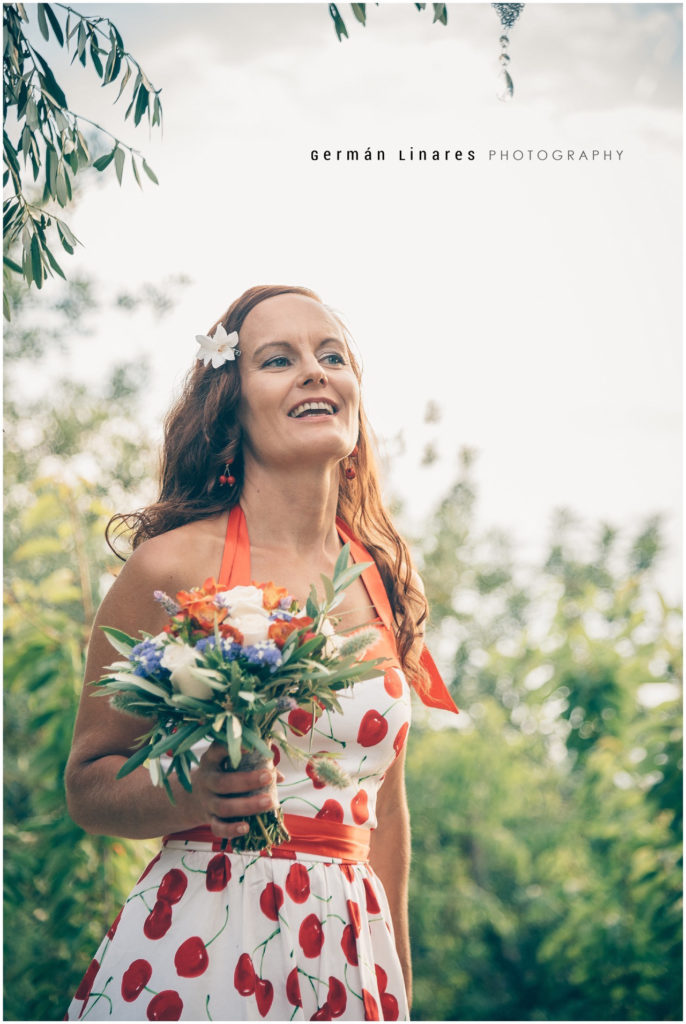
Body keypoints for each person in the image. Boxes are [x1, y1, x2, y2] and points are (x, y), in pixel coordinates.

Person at [64, 284, 458, 1022]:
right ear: (231, 405)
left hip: (346, 957)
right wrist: (189, 795)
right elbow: (87, 784)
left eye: (330, 355)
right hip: (201, 943)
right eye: (279, 360)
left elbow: (386, 816)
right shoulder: (168, 569)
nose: (314, 371)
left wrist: (397, 984)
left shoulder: (384, 579)